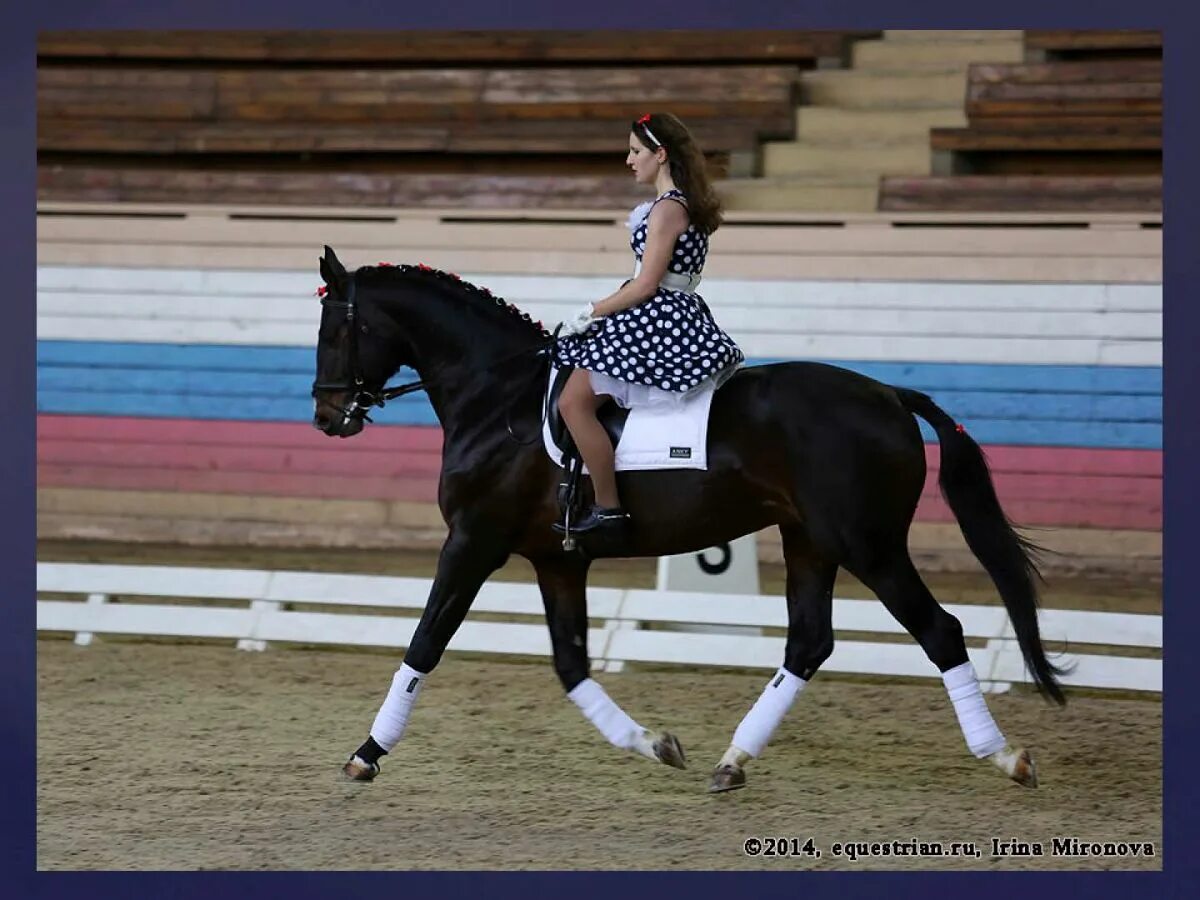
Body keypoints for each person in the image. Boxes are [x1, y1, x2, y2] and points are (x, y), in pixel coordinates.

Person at [552, 112, 745, 537]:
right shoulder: (676, 206)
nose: (628, 159)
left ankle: (608, 507)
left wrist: (591, 311)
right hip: (670, 311)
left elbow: (644, 285)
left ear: (660, 155)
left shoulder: (667, 210)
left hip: (657, 317)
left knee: (572, 402)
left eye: (636, 151)